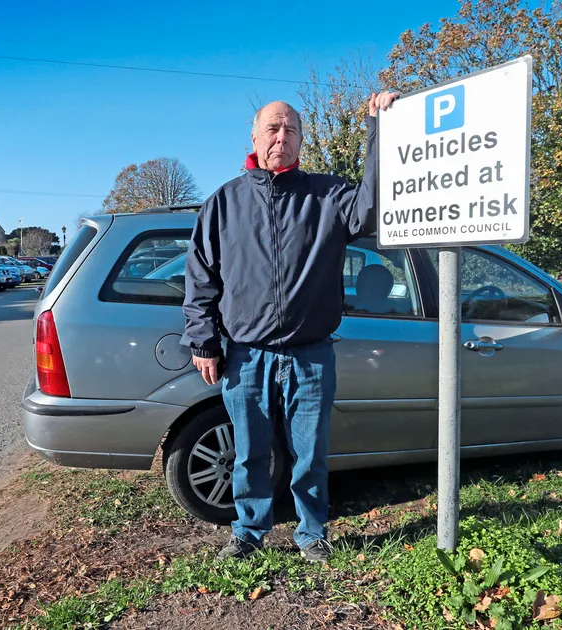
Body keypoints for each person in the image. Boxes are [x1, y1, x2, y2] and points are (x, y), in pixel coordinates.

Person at [182, 92, 398, 563]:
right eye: (273, 129)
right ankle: (249, 532)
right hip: (245, 354)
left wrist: (377, 127)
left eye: (291, 130)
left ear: (302, 139)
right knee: (250, 453)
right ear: (255, 137)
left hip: (311, 352)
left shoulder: (328, 196)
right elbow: (200, 277)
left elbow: (372, 205)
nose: (282, 137)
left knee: (310, 452)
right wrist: (203, 339)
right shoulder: (224, 203)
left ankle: (312, 532)